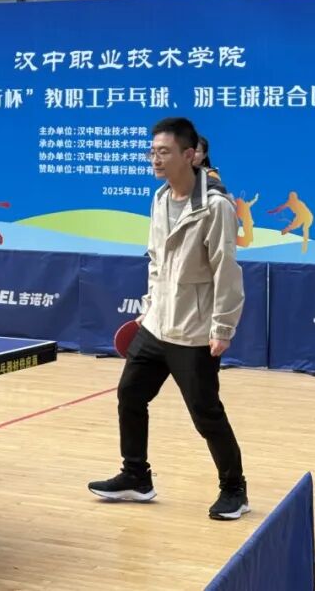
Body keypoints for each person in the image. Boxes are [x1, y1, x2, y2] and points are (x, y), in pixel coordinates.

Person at [88, 117, 248, 521]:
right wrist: (149, 306)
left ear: (190, 155)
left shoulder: (215, 207)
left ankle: (234, 490)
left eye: (164, 152)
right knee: (130, 395)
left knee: (206, 414)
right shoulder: (160, 199)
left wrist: (222, 327)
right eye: (153, 152)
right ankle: (136, 476)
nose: (155, 159)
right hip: (156, 324)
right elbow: (156, 260)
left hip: (194, 331)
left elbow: (226, 271)